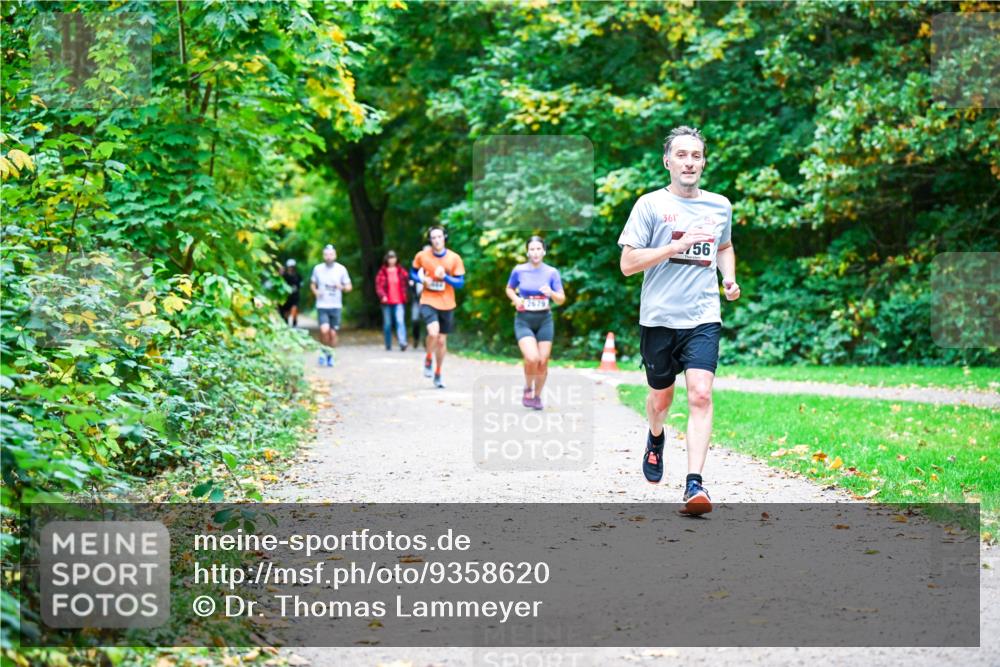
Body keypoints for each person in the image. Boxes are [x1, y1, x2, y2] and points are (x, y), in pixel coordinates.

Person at [618, 125, 741, 515]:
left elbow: (725, 246)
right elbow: (627, 264)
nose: (690, 162)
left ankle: (694, 485)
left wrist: (730, 277)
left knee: (701, 394)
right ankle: (656, 437)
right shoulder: (650, 205)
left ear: (703, 161)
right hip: (658, 318)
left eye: (696, 156)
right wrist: (674, 246)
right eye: (682, 155)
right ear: (667, 161)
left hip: (703, 315)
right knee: (661, 398)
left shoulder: (720, 205)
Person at [505, 236, 566, 410]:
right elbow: (509, 288)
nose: (535, 252)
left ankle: (537, 396)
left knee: (543, 361)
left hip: (544, 320)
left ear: (544, 251)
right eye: (532, 249)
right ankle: (527, 387)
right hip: (524, 319)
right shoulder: (519, 270)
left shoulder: (551, 272)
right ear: (527, 252)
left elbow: (561, 299)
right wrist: (516, 299)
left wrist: (551, 293)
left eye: (538, 249)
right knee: (532, 357)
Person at [411, 227, 465, 388]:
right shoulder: (422, 256)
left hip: (447, 302)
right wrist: (422, 281)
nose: (436, 240)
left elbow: (460, 283)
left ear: (444, 238)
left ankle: (438, 372)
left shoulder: (454, 258)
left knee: (441, 341)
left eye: (439, 237)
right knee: (433, 332)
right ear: (430, 240)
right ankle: (428, 357)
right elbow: (412, 273)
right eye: (433, 237)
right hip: (428, 299)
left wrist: (445, 277)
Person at [310, 244, 352, 366]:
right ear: (323, 256)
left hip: (336, 306)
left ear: (335, 255)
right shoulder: (317, 269)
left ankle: (330, 354)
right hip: (322, 305)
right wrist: (316, 292)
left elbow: (349, 287)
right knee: (324, 330)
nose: (328, 257)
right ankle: (323, 351)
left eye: (331, 254)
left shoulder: (341, 269)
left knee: (333, 333)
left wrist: (342, 287)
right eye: (326, 255)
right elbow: (312, 284)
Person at [375, 250, 409, 351]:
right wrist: (383, 296)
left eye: (393, 257)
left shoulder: (401, 270)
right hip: (387, 302)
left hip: (399, 300)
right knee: (387, 324)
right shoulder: (382, 271)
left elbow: (407, 281)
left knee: (400, 321)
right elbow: (379, 286)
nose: (392, 260)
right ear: (387, 259)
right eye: (390, 258)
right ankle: (388, 343)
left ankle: (402, 342)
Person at [408, 244, 430, 349]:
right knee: (415, 319)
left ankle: (426, 341)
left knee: (428, 320)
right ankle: (416, 338)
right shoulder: (416, 265)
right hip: (417, 298)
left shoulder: (435, 266)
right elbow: (410, 275)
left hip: (429, 299)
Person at [281, 258, 302, 327]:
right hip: (286, 297)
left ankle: (294, 323)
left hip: (295, 296)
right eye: (289, 267)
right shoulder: (284, 276)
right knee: (286, 313)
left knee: (294, 309)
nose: (291, 268)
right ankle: (286, 325)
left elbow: (299, 286)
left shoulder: (298, 276)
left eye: (292, 267)